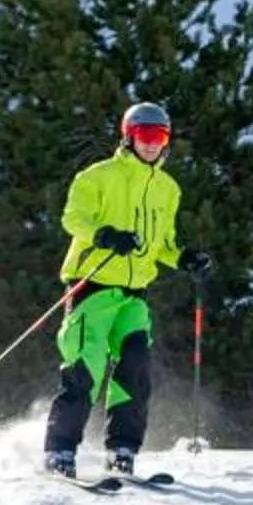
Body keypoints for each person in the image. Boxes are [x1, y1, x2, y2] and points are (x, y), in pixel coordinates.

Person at [45, 100, 209, 479]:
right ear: (128, 136)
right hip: (93, 287)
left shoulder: (168, 189)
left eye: (160, 135)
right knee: (85, 368)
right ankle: (60, 450)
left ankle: (122, 449)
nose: (152, 143)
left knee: (135, 370)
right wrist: (104, 235)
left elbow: (162, 244)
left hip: (134, 295)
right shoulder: (97, 176)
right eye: (144, 135)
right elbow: (73, 218)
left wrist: (184, 258)